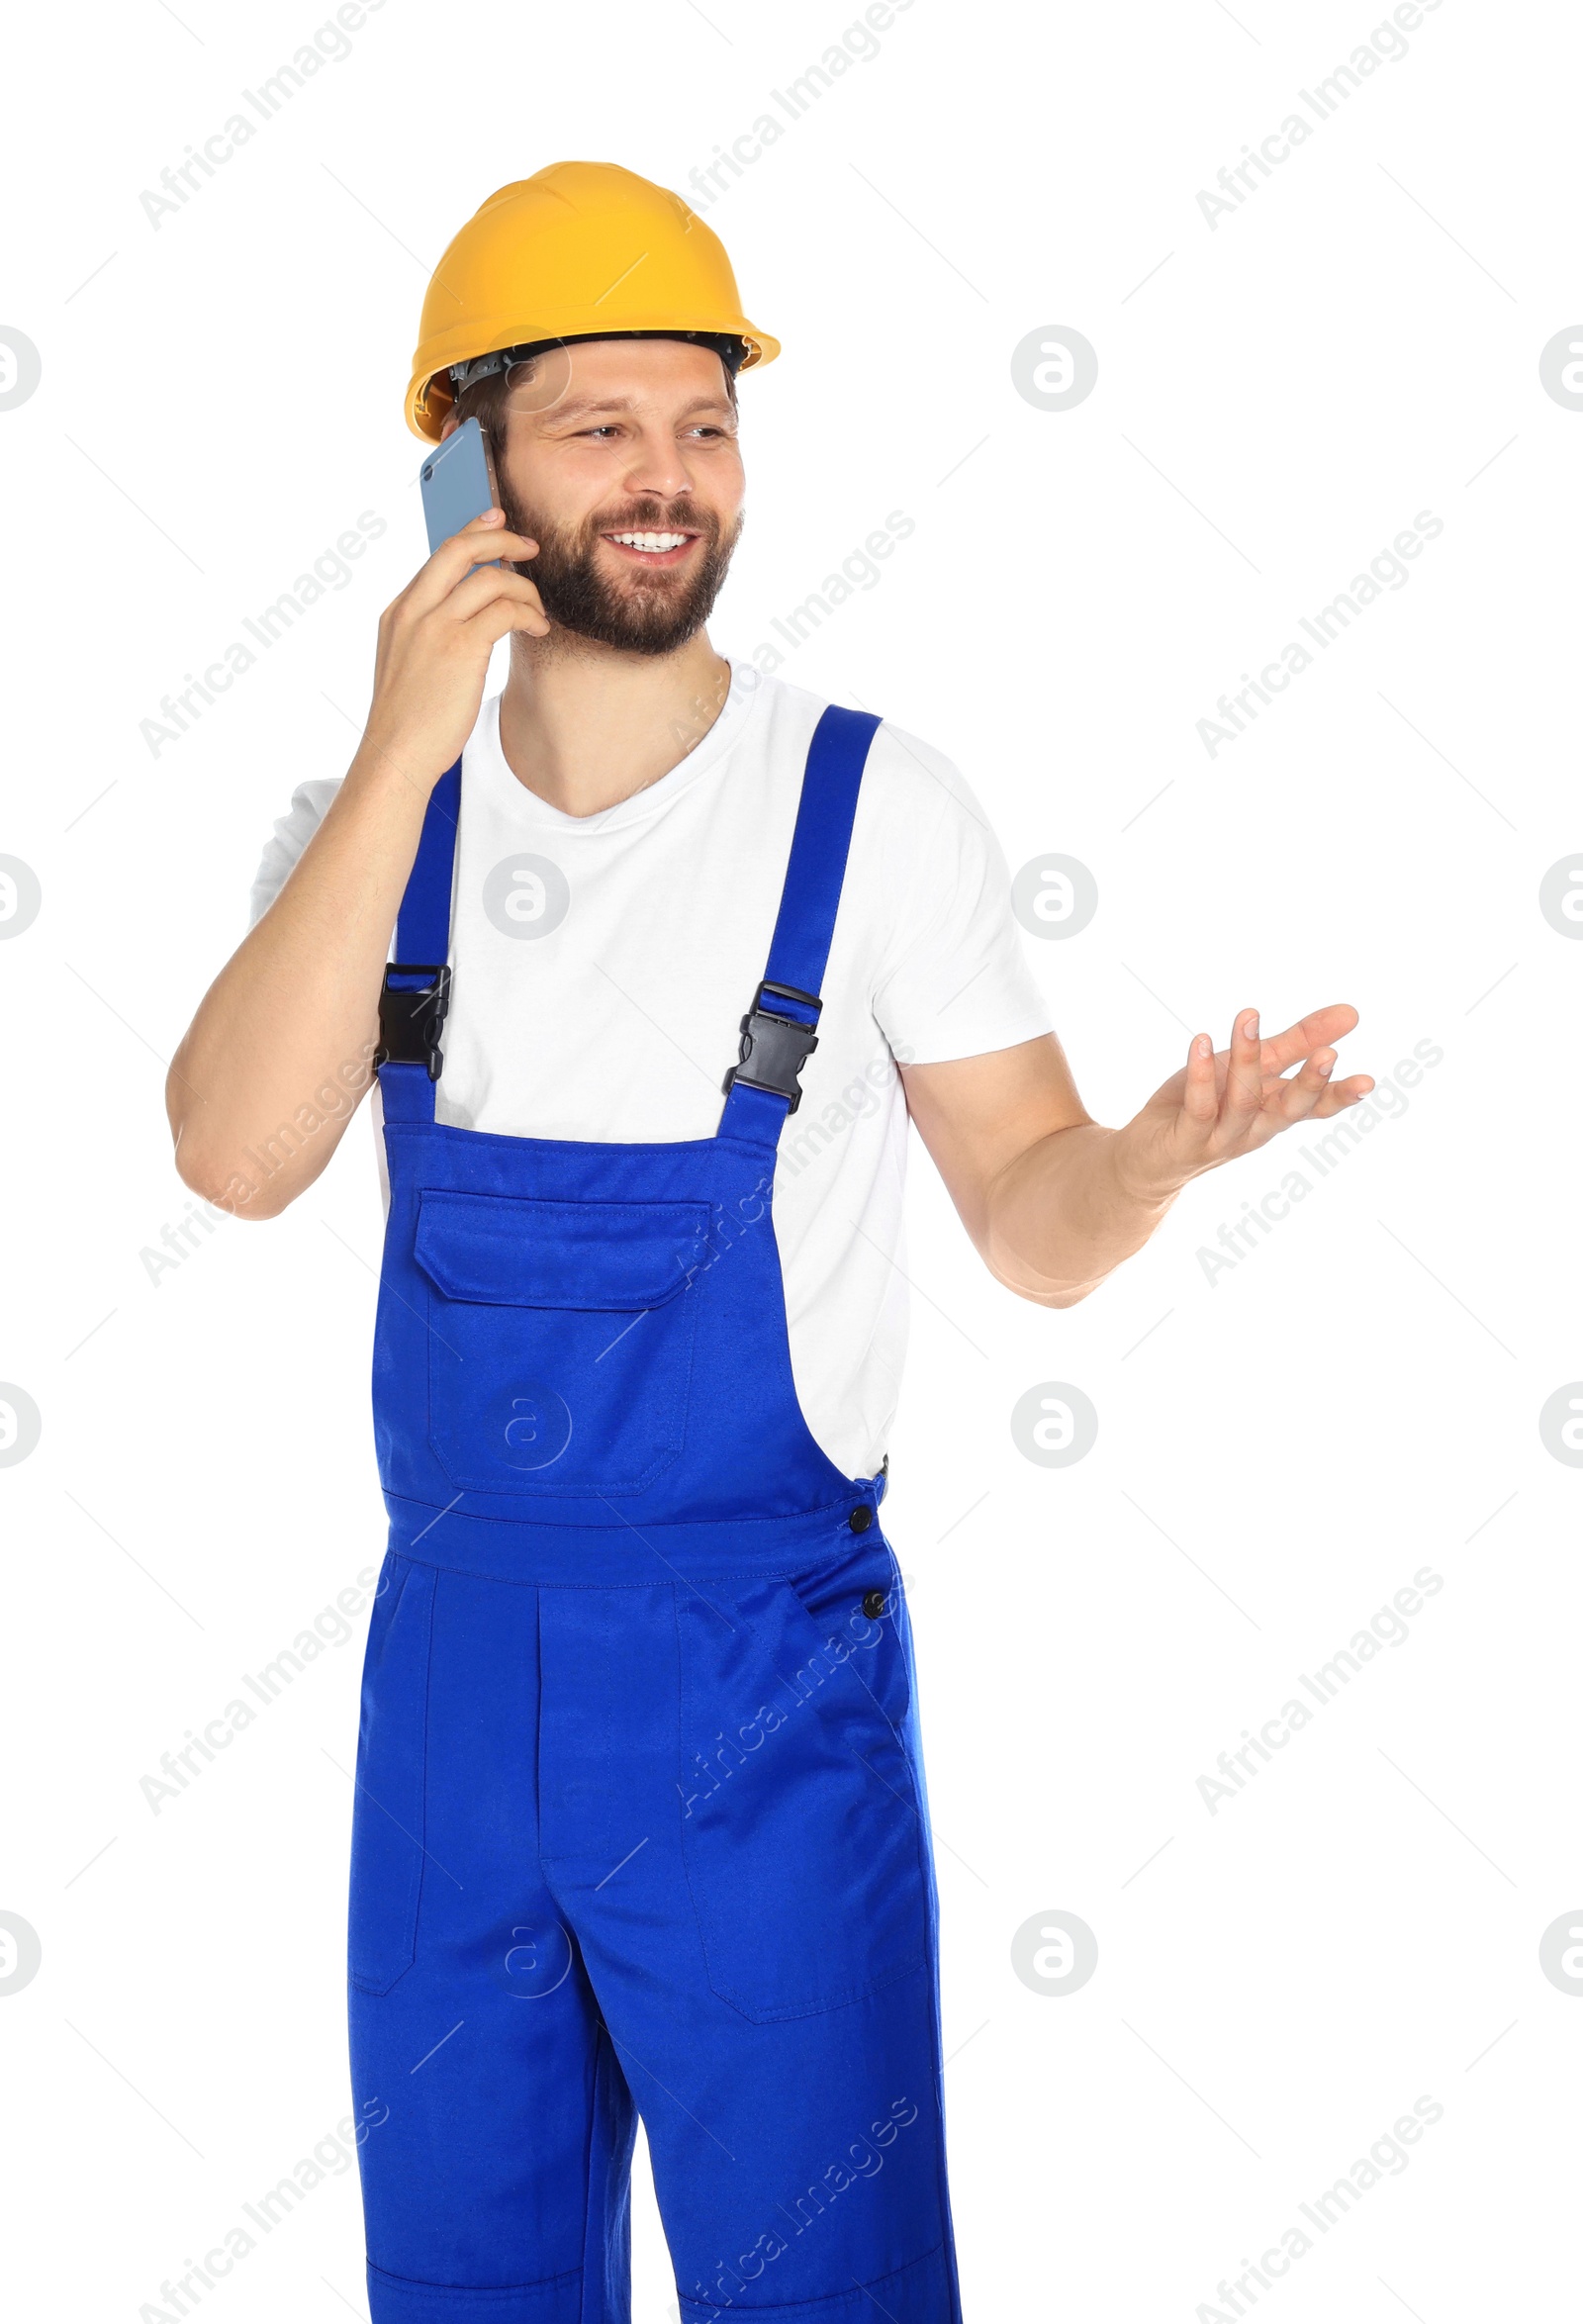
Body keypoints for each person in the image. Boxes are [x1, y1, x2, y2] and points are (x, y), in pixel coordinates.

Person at [167, 160, 1371, 2324]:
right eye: (598, 426)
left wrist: (1153, 1153)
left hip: (756, 1701)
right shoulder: (378, 834)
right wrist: (396, 750)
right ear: (467, 461)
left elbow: (1030, 1221)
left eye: (702, 424)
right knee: (463, 2283)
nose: (665, 479)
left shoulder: (872, 807)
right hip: (447, 1705)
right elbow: (236, 1155)